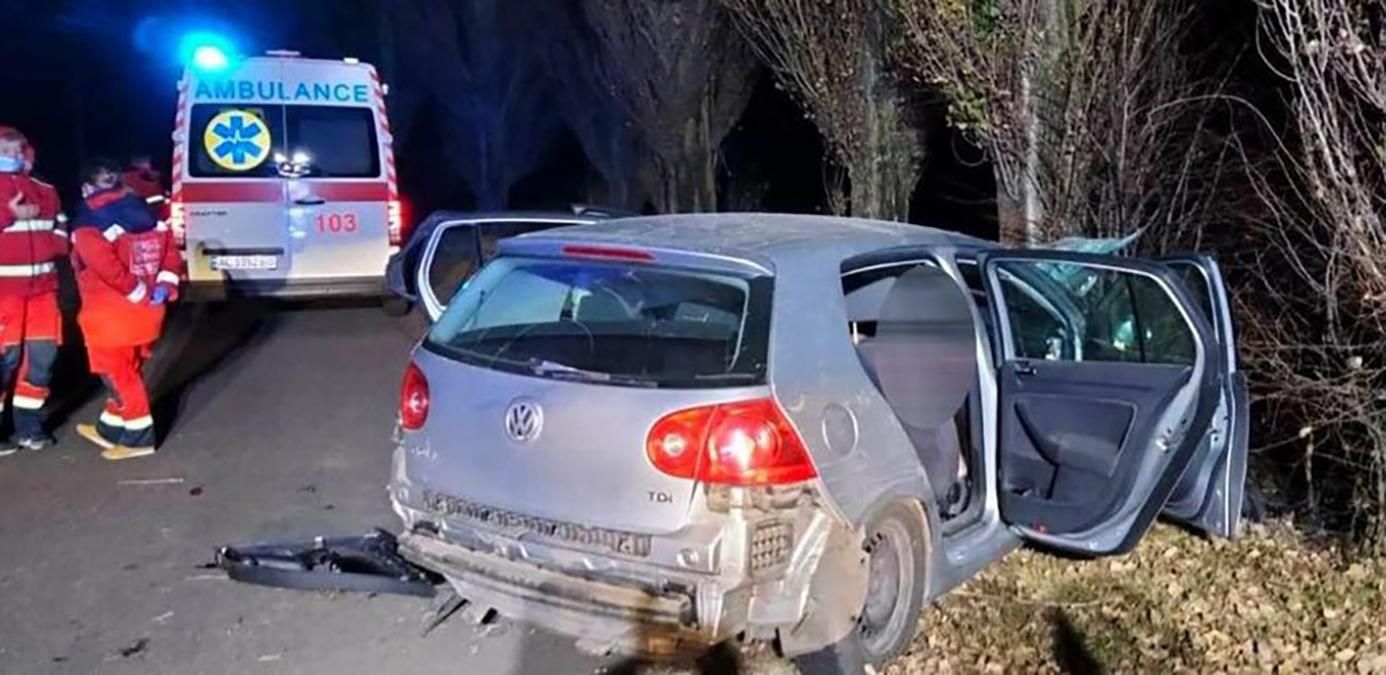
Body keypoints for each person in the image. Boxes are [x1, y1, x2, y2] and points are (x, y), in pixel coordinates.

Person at [71, 158, 182, 460]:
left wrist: (139, 294)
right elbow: (172, 254)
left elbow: (108, 271)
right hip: (149, 313)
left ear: (87, 188)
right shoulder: (150, 215)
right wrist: (163, 287)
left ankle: (138, 438)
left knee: (119, 376)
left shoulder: (88, 226)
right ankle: (109, 428)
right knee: (129, 368)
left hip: (110, 316)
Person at [0, 126, 69, 456]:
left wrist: (54, 248)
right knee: (3, 360)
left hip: (43, 289)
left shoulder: (44, 189)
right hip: (4, 293)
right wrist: (6, 213)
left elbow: (61, 225)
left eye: (17, 151)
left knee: (41, 360)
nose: (13, 157)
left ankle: (29, 427)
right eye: (5, 151)